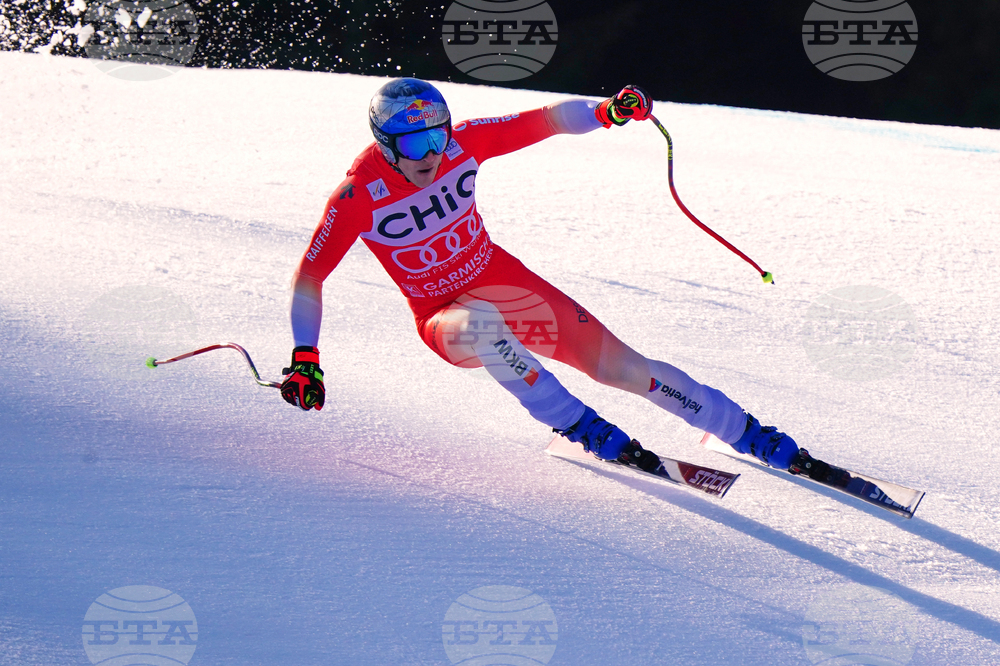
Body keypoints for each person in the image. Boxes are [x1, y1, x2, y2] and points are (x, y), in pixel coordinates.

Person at [280, 77, 800, 473]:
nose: (432, 156)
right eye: (415, 147)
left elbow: (545, 120)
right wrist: (306, 356)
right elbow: (309, 277)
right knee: (480, 325)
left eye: (436, 139)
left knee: (623, 368)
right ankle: (577, 423)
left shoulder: (462, 145)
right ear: (386, 145)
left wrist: (605, 112)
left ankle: (742, 430)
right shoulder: (355, 197)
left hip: (506, 282)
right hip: (443, 316)